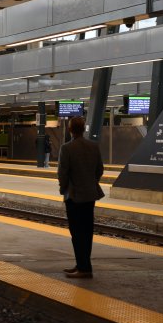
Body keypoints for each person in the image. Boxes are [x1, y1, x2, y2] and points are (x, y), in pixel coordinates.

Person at [57, 117, 104, 278]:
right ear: (83, 129)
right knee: (87, 231)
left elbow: (62, 173)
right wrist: (91, 183)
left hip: (74, 196)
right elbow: (100, 169)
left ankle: (83, 268)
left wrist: (64, 189)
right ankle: (82, 264)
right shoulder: (93, 146)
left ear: (70, 130)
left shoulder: (67, 148)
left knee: (77, 233)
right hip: (90, 195)